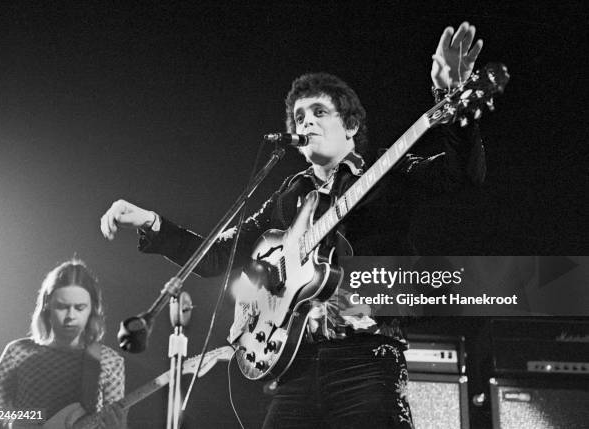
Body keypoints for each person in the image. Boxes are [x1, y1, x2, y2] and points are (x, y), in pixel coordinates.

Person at [100, 22, 484, 429]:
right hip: (294, 365)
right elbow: (216, 256)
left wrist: (451, 102)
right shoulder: (286, 196)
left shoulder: (385, 174)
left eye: (320, 113)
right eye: (299, 117)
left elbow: (462, 175)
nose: (306, 123)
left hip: (366, 360)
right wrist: (152, 223)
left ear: (351, 127)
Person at [0, 259, 126, 429]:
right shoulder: (18, 352)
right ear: (46, 307)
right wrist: (25, 419)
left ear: (92, 310)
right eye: (62, 306)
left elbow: (112, 422)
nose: (70, 316)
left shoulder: (109, 361)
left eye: (80, 308)